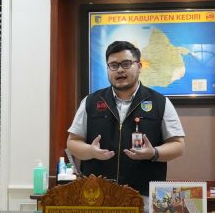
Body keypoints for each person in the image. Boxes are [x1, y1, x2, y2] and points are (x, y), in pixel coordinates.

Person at [67, 41, 185, 197]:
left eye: (126, 64)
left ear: (139, 66)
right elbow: (73, 142)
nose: (120, 70)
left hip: (144, 196)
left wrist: (153, 153)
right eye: (113, 65)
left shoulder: (160, 102)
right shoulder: (91, 101)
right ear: (108, 69)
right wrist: (91, 151)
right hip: (98, 196)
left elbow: (178, 145)